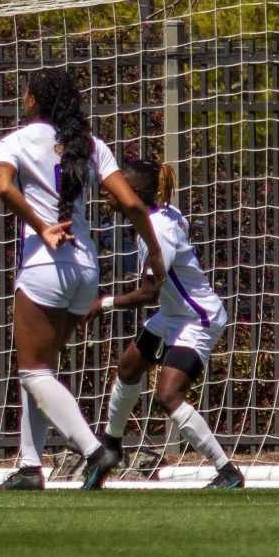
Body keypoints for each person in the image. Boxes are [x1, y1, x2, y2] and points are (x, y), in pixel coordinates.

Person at [0, 66, 163, 490]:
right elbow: (133, 205)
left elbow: (4, 188)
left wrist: (41, 225)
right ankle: (30, 466)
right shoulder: (91, 145)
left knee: (33, 372)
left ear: (33, 100)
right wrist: (154, 251)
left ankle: (94, 449)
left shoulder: (15, 141)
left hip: (45, 264)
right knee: (41, 370)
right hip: (85, 268)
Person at [89, 151, 242, 490]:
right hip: (173, 315)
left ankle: (227, 470)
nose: (107, 191)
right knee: (128, 367)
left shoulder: (158, 231)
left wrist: (103, 303)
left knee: (168, 394)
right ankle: (111, 447)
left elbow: (148, 294)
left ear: (133, 193)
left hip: (198, 319)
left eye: (115, 187)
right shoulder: (159, 216)